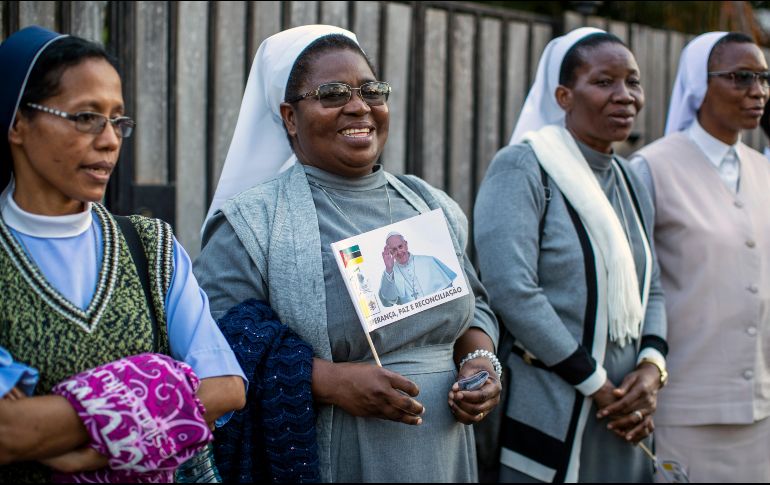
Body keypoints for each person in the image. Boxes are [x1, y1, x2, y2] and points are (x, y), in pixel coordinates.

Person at [193, 25, 501, 482]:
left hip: (446, 453)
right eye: (332, 93)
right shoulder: (250, 222)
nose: (358, 105)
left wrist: (480, 362)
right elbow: (220, 345)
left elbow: (475, 309)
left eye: (370, 90)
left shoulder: (430, 202)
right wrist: (329, 383)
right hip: (339, 456)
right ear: (290, 117)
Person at [0, 26, 246, 482]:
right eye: (85, 117)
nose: (110, 140)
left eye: (118, 121)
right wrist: (160, 396)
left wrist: (94, 448)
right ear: (18, 122)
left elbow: (227, 387)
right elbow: (8, 431)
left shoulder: (150, 248)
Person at [474, 28, 668, 482]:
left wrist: (651, 368)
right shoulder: (523, 168)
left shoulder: (630, 178)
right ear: (564, 95)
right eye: (604, 82)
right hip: (558, 399)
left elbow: (652, 285)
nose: (625, 96)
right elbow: (512, 291)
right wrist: (597, 384)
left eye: (633, 82)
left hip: (625, 404)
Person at [630, 32, 770, 482]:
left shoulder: (763, 170)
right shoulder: (651, 169)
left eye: (764, 78)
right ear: (699, 84)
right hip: (686, 404)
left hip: (761, 405)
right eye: (741, 77)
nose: (758, 91)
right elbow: (639, 288)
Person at [379, 231, 457, 306]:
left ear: (406, 244)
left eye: (400, 246)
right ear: (390, 252)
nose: (399, 252)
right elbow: (389, 301)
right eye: (394, 249)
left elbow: (449, 291)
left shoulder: (429, 261)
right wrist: (389, 269)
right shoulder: (389, 273)